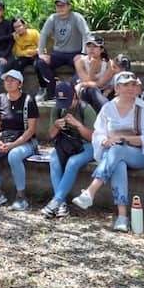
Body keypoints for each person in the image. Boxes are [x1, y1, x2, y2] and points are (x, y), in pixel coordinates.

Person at [72, 71, 144, 232]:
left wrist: (125, 138)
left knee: (118, 150)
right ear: (117, 88)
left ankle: (90, 191)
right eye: (125, 85)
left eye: (133, 84)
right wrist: (105, 140)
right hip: (113, 154)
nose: (130, 88)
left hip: (138, 154)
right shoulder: (108, 108)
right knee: (118, 163)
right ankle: (122, 216)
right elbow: (98, 133)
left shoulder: (142, 108)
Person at [0, 70, 40, 210]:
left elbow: (31, 130)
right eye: (6, 80)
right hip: (5, 137)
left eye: (13, 80)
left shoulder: (28, 100)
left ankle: (21, 196)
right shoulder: (0, 99)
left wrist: (13, 145)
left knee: (14, 155)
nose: (9, 83)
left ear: (20, 84)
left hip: (26, 140)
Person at [41, 82, 97, 219]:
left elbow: (93, 138)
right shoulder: (58, 108)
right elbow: (51, 135)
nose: (64, 105)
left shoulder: (86, 109)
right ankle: (62, 205)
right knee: (54, 160)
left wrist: (78, 125)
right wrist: (56, 126)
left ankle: (56, 201)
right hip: (66, 144)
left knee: (72, 162)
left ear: (75, 97)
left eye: (67, 101)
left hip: (86, 145)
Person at [35, 0, 91, 101]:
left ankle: (74, 91)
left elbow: (86, 34)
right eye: (58, 6)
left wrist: (84, 53)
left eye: (63, 5)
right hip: (58, 53)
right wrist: (41, 53)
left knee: (83, 64)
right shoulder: (53, 18)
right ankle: (51, 91)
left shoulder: (76, 17)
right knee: (40, 63)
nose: (60, 8)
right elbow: (43, 34)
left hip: (75, 53)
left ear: (69, 6)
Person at [74, 35, 115, 112]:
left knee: (94, 90)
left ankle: (108, 112)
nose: (91, 49)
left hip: (103, 92)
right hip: (86, 93)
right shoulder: (80, 62)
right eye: (89, 46)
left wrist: (82, 84)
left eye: (95, 46)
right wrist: (92, 69)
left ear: (101, 49)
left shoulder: (109, 64)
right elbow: (87, 83)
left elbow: (100, 84)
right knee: (91, 89)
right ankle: (109, 112)